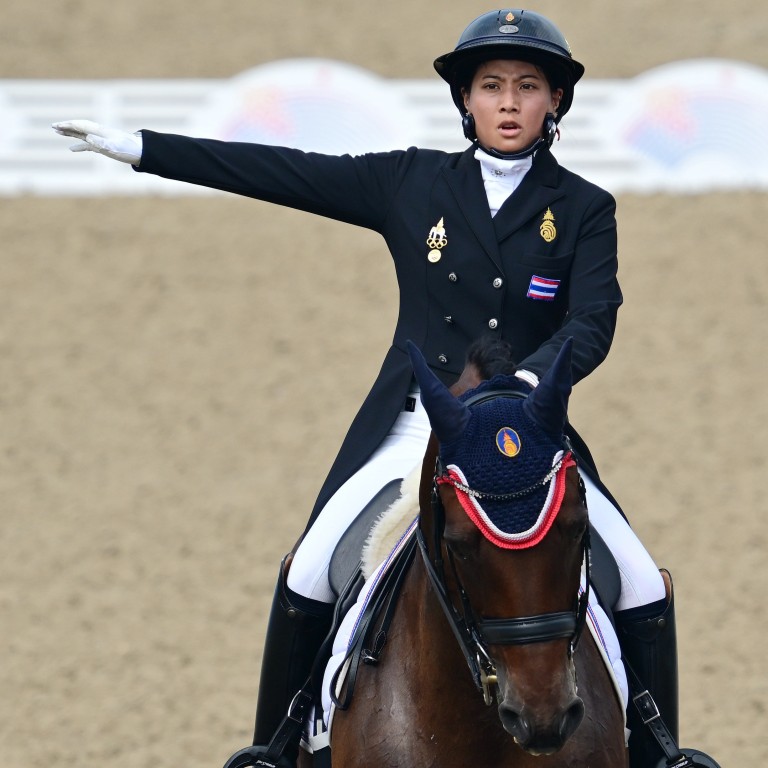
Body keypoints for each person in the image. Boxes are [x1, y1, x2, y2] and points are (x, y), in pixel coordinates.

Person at [52, 10, 699, 767]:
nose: (510, 102)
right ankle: (278, 748)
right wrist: (140, 150)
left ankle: (661, 753)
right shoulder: (411, 182)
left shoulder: (585, 208)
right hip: (417, 424)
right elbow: (287, 173)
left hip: (528, 430)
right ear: (466, 101)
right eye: (491, 87)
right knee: (308, 565)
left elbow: (594, 319)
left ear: (556, 100)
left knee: (642, 587)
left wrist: (530, 383)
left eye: (528, 86)